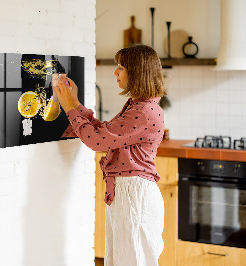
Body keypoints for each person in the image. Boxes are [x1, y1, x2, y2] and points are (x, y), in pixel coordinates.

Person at [54, 44, 166, 266]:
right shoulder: (139, 106)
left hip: (134, 195)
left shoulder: (143, 111)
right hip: (129, 193)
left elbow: (97, 141)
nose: (115, 72)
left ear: (137, 72)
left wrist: (69, 107)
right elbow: (105, 133)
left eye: (121, 67)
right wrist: (75, 103)